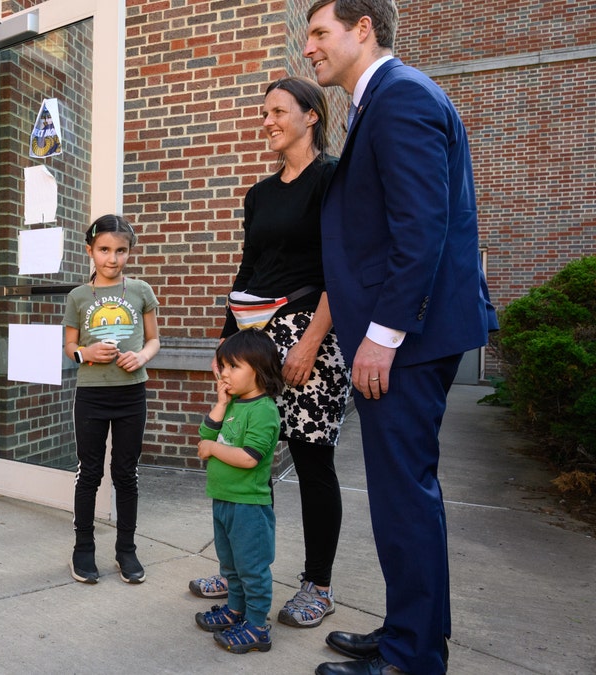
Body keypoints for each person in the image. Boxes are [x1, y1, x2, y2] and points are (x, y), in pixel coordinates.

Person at [302, 2, 499, 674]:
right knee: (409, 493)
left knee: (402, 495)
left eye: (320, 33)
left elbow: (422, 228)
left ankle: (412, 657)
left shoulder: (401, 97)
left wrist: (382, 335)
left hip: (407, 339)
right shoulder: (383, 100)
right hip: (410, 334)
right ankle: (410, 633)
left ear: (364, 29)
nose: (309, 49)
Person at [189, 76, 351, 632]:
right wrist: (227, 346)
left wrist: (310, 342)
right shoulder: (258, 195)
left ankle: (317, 585)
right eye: (264, 114)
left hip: (312, 335)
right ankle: (240, 572)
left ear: (311, 116)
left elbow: (342, 269)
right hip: (255, 341)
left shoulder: (332, 179)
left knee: (310, 462)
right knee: (245, 457)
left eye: (278, 111)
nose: (268, 122)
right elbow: (248, 270)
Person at [62, 214, 160, 585]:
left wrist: (142, 357)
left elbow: (154, 339)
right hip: (91, 394)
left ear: (129, 252)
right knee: (89, 472)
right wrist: (85, 354)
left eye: (121, 250)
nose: (112, 258)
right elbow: (70, 345)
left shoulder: (140, 291)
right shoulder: (78, 297)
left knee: (126, 473)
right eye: (104, 249)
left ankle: (126, 550)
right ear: (90, 251)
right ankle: (83, 550)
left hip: (131, 393)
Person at [192, 328, 283, 654]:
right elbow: (205, 432)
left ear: (258, 370)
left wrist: (212, 449)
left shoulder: (263, 410)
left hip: (249, 506)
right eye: (223, 367)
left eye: (233, 367)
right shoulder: (232, 404)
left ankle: (258, 626)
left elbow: (248, 457)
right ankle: (235, 610)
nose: (224, 374)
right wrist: (220, 403)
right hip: (224, 500)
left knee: (252, 568)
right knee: (230, 566)